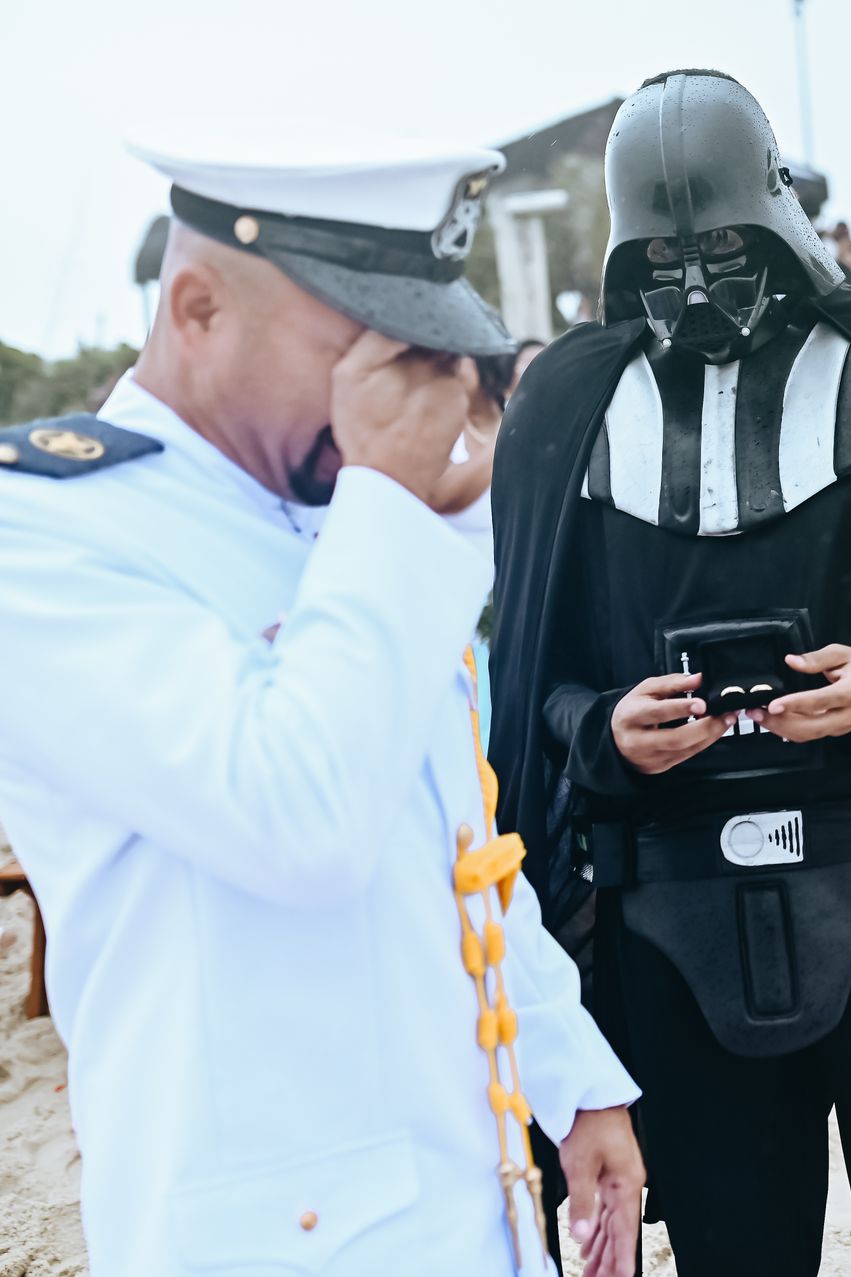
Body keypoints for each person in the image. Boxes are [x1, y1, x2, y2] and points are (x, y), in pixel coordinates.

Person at [0, 123, 644, 1276]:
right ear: (198, 308)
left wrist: (569, 1071)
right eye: (363, 348)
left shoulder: (340, 511)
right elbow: (298, 814)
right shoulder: (43, 529)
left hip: (470, 1214)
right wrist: (399, 508)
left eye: (423, 351)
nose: (404, 393)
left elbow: (452, 845)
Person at [487, 70, 851, 1277]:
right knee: (733, 1248)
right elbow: (534, 665)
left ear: (774, 217)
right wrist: (604, 727)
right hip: (670, 894)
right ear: (625, 250)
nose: (697, 281)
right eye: (666, 255)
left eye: (726, 247)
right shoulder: (569, 408)